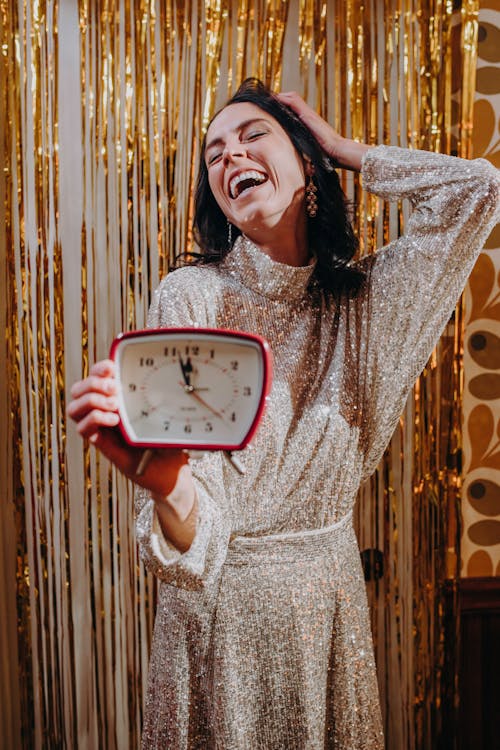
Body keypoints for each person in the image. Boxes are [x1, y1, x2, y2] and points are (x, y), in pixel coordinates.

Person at [68, 79, 499, 749]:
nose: (229, 157)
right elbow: (198, 518)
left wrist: (343, 147)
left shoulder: (365, 307)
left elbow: (478, 192)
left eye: (251, 136)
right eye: (214, 154)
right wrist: (168, 486)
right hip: (213, 627)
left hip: (326, 617)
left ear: (305, 163)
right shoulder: (192, 297)